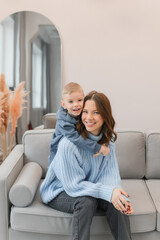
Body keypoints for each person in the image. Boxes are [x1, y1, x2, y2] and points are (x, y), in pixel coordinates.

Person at [40, 90, 133, 240]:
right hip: (60, 190)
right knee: (86, 202)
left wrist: (119, 196)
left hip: (86, 186)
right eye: (85, 112)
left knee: (117, 201)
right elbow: (73, 186)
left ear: (105, 115)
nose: (89, 118)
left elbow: (110, 176)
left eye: (96, 112)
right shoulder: (69, 144)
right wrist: (107, 192)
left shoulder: (108, 142)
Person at [48, 82, 110, 164]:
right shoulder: (63, 123)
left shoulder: (81, 113)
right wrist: (98, 147)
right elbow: (77, 139)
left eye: (79, 100)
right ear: (64, 104)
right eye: (70, 102)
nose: (76, 105)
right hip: (59, 155)